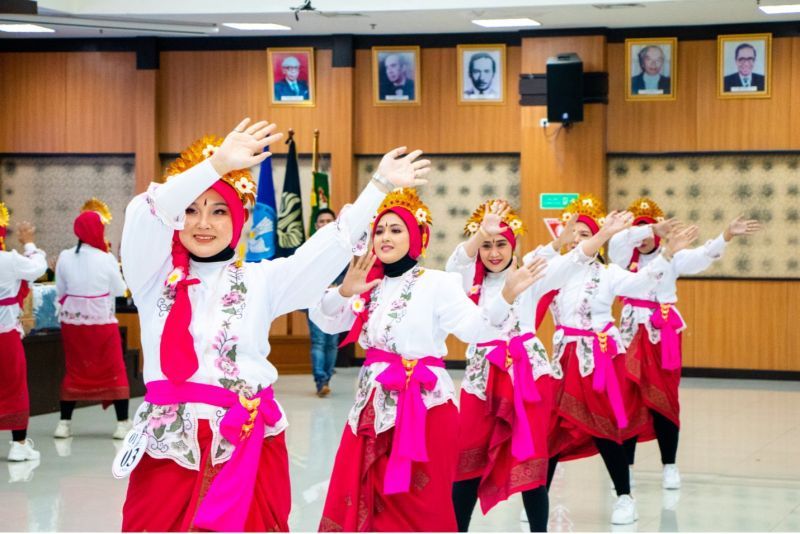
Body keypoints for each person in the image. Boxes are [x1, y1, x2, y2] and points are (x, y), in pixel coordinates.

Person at [118, 117, 430, 532]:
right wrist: (214, 167)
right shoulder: (152, 277)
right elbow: (146, 211)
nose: (203, 223)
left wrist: (377, 187)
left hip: (247, 440)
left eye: (218, 210)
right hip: (170, 446)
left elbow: (330, 245)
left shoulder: (260, 280)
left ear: (241, 220)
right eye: (191, 210)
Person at [311, 189, 546, 532]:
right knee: (366, 495)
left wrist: (506, 295)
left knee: (422, 502)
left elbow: (475, 329)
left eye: (396, 230)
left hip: (426, 408)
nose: (385, 237)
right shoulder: (368, 284)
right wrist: (346, 291)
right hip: (372, 408)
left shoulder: (439, 283)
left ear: (417, 237)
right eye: (379, 230)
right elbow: (324, 319)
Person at [447, 200, 631, 532]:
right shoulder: (465, 285)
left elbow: (574, 259)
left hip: (527, 377)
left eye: (501, 243)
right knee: (468, 459)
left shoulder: (531, 275)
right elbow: (455, 264)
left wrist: (603, 233)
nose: (493, 252)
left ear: (513, 245)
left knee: (532, 461)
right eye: (487, 245)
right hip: (481, 380)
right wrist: (479, 234)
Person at [532, 194, 699, 525]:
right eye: (574, 233)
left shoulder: (607, 274)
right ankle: (538, 500)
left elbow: (642, 283)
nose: (579, 239)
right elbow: (529, 263)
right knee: (550, 430)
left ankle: (625, 496)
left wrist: (665, 255)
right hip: (562, 360)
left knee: (604, 428)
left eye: (586, 233)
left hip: (598, 362)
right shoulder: (555, 270)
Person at [609, 198, 762, 491]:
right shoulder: (621, 256)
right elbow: (618, 239)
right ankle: (625, 467)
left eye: (650, 233)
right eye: (639, 232)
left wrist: (726, 234)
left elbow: (704, 255)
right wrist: (649, 226)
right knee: (627, 400)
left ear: (660, 235)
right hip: (629, 333)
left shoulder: (673, 256)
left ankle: (670, 465)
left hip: (662, 330)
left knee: (664, 398)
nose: (643, 239)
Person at [54, 199, 131, 440]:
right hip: (101, 323)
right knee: (114, 369)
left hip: (72, 324)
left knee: (75, 369)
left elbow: (60, 289)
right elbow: (119, 290)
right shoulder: (106, 258)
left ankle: (64, 424)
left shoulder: (65, 257)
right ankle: (121, 424)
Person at [0, 203, 46, 462]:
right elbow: (38, 267)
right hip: (4, 337)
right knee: (14, 387)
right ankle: (18, 445)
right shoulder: (8, 261)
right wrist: (29, 243)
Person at [307, 207, 343, 397]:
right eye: (321, 221)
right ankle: (320, 380)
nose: (325, 224)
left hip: (336, 300)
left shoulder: (343, 247)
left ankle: (327, 378)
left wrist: (338, 286)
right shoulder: (308, 249)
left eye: (329, 221)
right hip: (315, 300)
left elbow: (348, 274)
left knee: (331, 343)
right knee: (319, 341)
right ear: (316, 225)